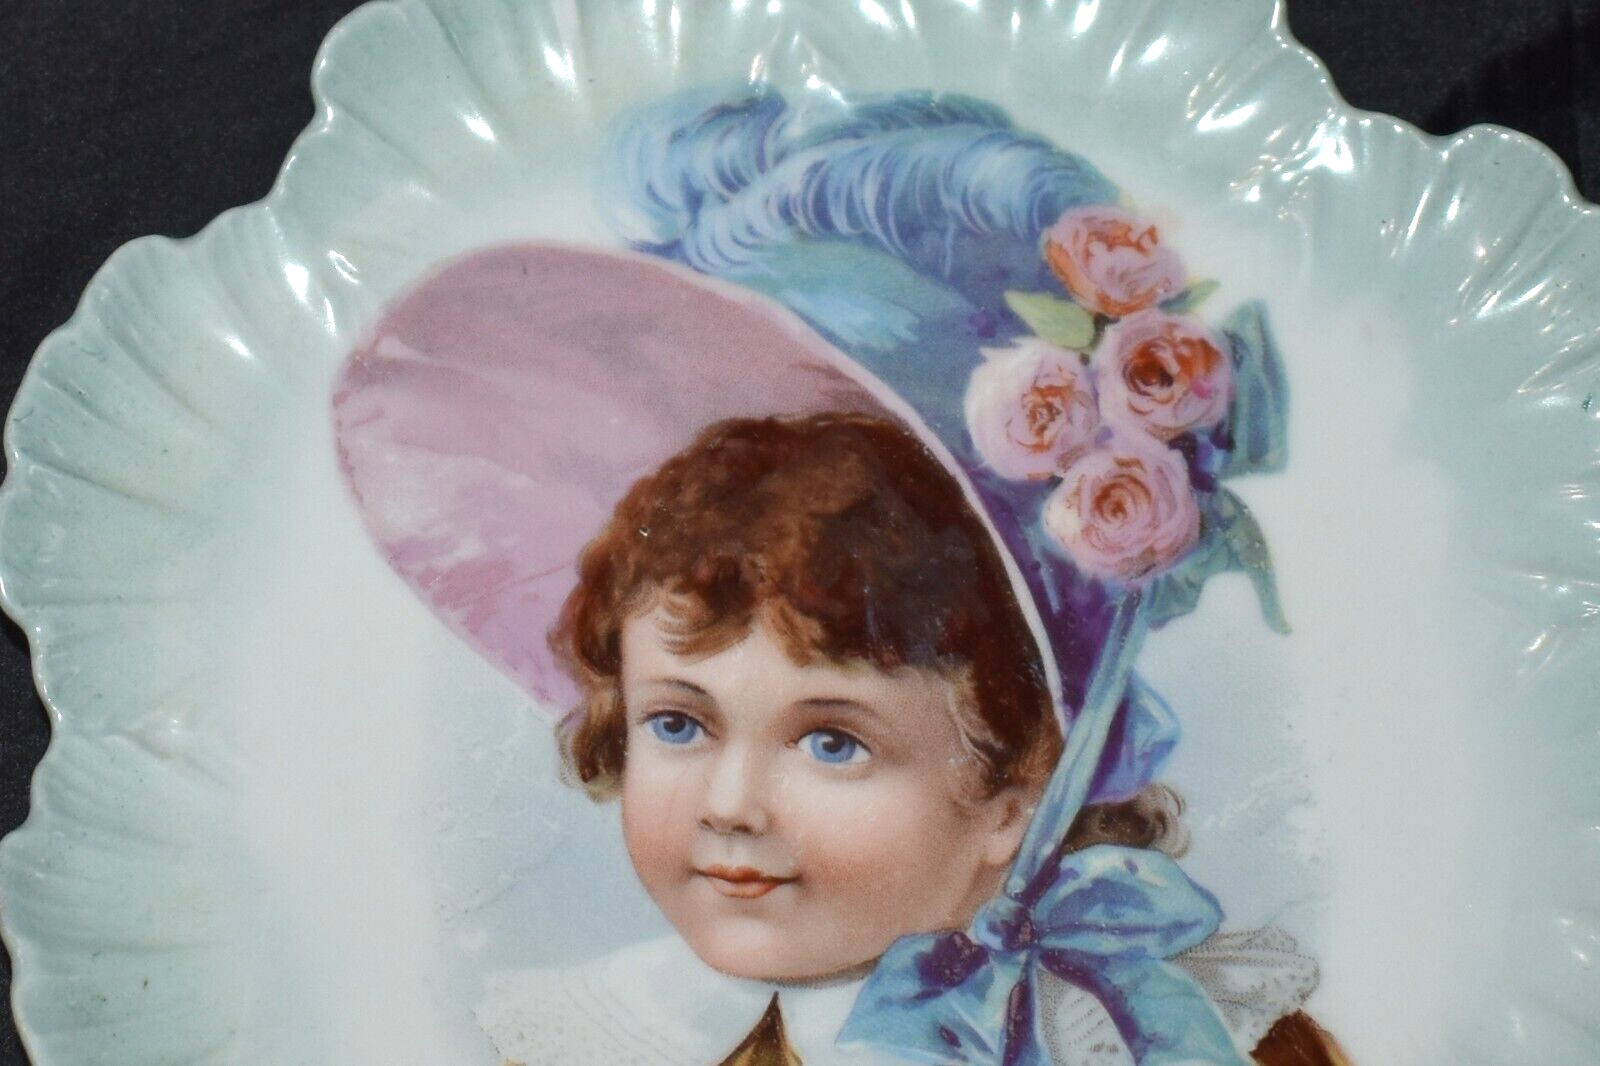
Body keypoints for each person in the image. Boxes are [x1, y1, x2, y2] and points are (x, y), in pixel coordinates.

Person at [332, 84, 1347, 1064]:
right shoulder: (601, 1044)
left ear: (1016, 791)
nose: (731, 805)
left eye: (832, 742)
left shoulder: (1175, 1039)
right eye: (677, 723)